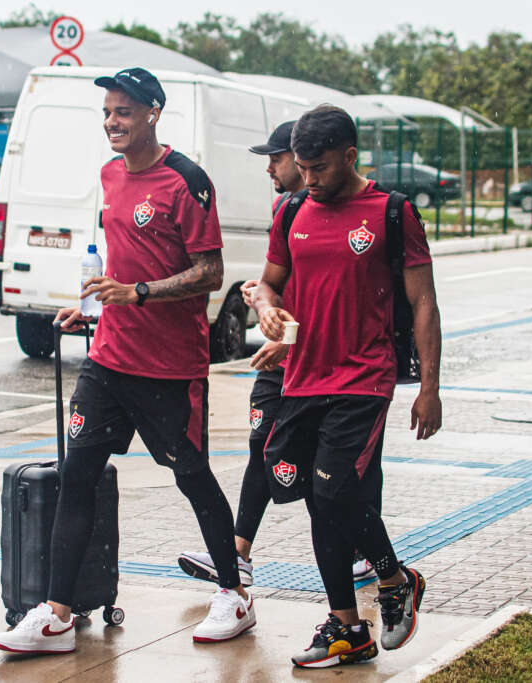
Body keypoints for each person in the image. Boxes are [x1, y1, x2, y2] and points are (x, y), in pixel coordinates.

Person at [0, 67, 254, 656]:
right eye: (107, 112)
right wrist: (93, 311)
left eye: (124, 112)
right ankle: (56, 615)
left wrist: (138, 294)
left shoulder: (187, 181)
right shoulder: (109, 176)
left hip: (168, 368)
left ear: (153, 114)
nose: (112, 122)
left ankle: (234, 594)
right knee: (75, 478)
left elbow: (210, 273)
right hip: (108, 360)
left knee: (192, 478)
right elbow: (119, 262)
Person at [253, 105, 442, 668]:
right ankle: (347, 627)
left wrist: (429, 387)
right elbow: (268, 283)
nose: (307, 179)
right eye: (302, 168)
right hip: (302, 376)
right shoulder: (291, 210)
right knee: (317, 503)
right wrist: (265, 308)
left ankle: (393, 579)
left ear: (350, 156)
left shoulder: (391, 212)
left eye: (319, 168)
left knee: (334, 492)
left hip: (363, 377)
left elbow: (424, 302)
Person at [177, 121, 375, 588]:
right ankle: (238, 551)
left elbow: (347, 301)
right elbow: (279, 282)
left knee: (335, 475)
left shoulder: (361, 210)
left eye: (278, 158)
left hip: (334, 369)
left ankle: (365, 557)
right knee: (265, 447)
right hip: (283, 358)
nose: (272, 167)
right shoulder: (287, 210)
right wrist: (264, 300)